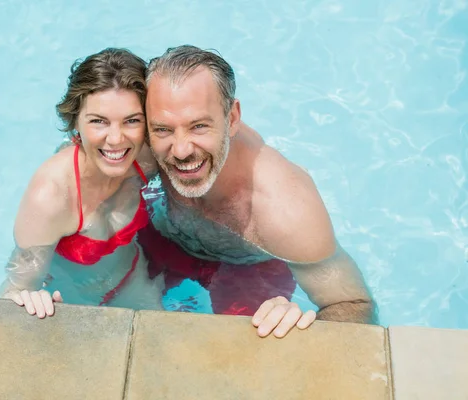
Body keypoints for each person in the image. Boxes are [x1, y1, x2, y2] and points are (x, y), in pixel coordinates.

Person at [139, 45, 377, 338]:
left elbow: (354, 303)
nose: (181, 149)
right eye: (162, 129)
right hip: (165, 239)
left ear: (232, 119)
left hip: (246, 271)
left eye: (198, 126)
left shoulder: (285, 209)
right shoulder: (142, 141)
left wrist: (303, 328)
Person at [0, 48, 163, 318]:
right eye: (99, 121)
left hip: (135, 280)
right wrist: (30, 301)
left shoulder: (145, 159)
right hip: (73, 304)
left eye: (132, 121)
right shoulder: (51, 198)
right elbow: (14, 289)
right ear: (75, 121)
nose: (116, 139)